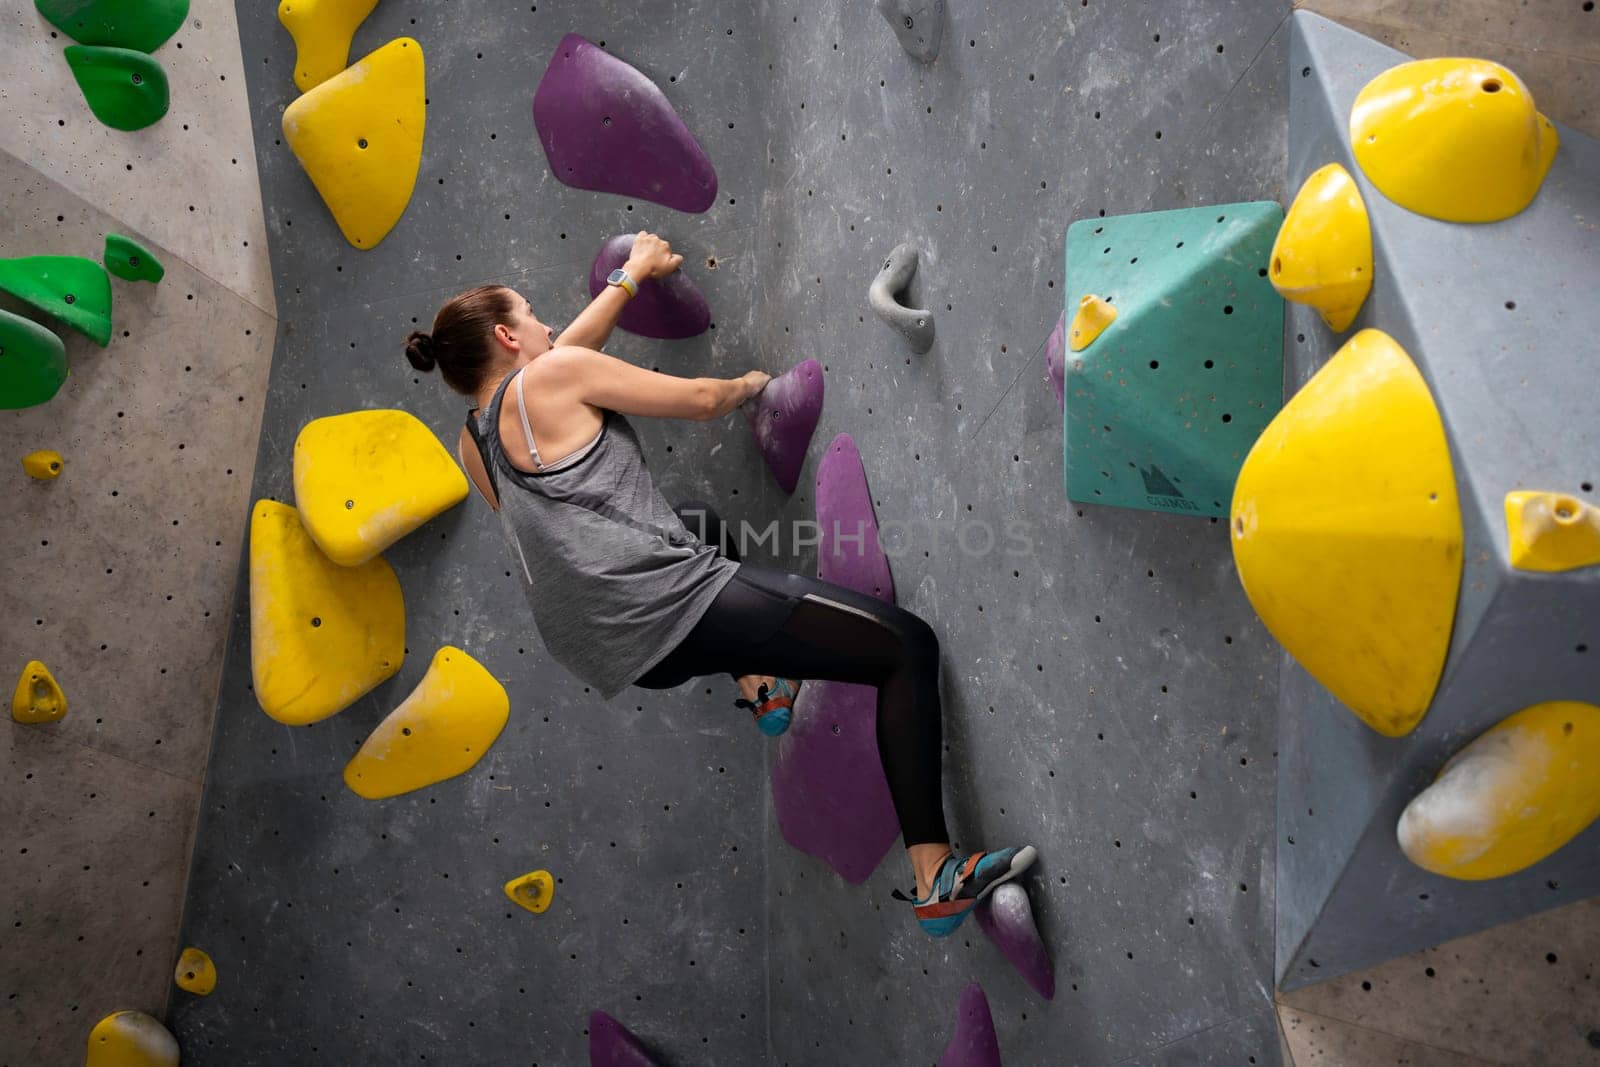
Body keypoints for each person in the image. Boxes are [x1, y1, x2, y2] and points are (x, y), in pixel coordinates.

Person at [404, 231, 1036, 936]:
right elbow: (696, 397)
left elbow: (556, 364)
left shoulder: (473, 440)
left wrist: (632, 276)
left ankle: (761, 684)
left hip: (607, 651)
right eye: (531, 313)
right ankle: (935, 875)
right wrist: (750, 389)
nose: (547, 322)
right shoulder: (551, 376)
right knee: (906, 647)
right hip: (659, 607)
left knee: (697, 521)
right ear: (505, 334)